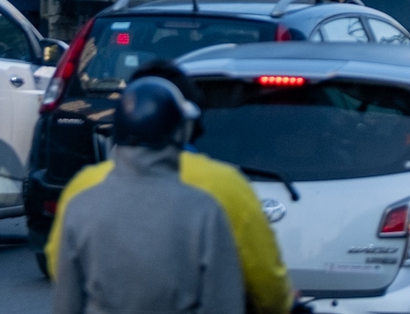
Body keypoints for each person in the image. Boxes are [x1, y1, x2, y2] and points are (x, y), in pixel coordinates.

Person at [46, 62, 292, 314]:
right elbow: (235, 294)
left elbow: (63, 276)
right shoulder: (209, 202)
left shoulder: (83, 194)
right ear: (184, 128)